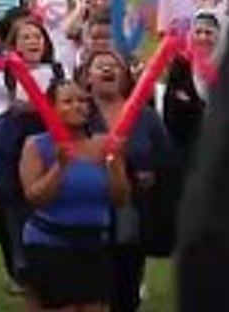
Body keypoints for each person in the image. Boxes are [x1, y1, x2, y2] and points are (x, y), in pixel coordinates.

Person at [19, 80, 131, 312]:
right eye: (68, 101)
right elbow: (35, 198)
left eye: (82, 101)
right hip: (49, 247)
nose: (78, 106)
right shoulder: (36, 145)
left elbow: (120, 199)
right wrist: (60, 166)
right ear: (51, 108)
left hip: (93, 248)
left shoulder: (104, 144)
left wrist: (115, 164)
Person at [82, 51, 177, 312]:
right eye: (100, 66)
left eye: (114, 66)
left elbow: (166, 156)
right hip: (87, 210)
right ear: (87, 77)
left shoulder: (145, 116)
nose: (108, 70)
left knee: (125, 278)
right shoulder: (79, 112)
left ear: (124, 76)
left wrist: (151, 170)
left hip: (131, 212)